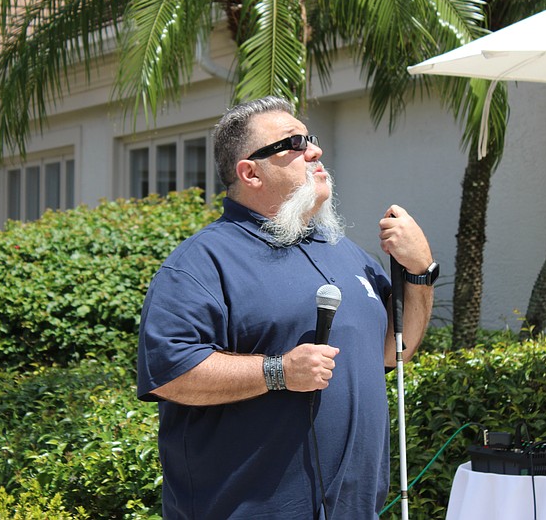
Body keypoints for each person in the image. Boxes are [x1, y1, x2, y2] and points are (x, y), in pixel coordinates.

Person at [137, 96, 436, 519]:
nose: (314, 151)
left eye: (310, 138)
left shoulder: (347, 253)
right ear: (250, 172)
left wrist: (420, 271)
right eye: (293, 144)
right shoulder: (202, 262)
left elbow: (394, 353)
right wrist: (277, 372)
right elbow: (171, 374)